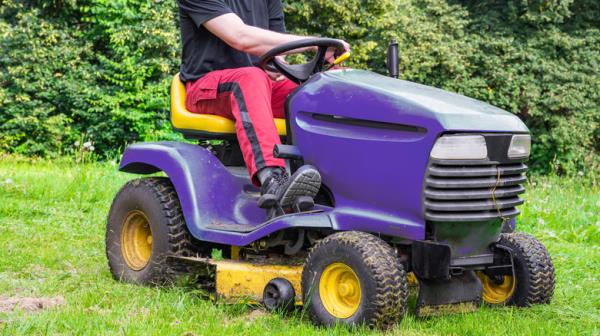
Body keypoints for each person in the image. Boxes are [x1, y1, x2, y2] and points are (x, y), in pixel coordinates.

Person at [176, 0, 350, 209]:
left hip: (260, 83)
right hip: (206, 88)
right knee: (251, 78)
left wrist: (281, 67)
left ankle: (340, 179)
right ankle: (274, 179)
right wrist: (315, 42)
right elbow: (240, 37)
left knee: (325, 86)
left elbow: (278, 53)